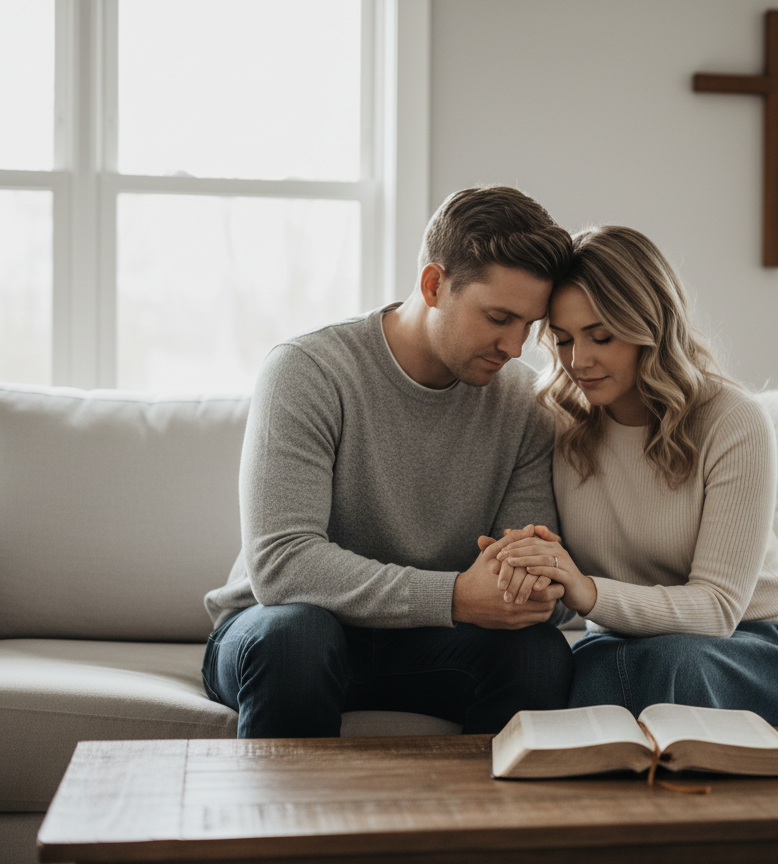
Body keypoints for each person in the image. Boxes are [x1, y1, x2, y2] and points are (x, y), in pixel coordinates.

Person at [202, 186, 577, 738]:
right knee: (297, 637)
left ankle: (487, 826)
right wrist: (453, 595)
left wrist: (531, 587)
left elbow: (519, 564)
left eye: (528, 325)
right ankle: (288, 825)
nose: (514, 346)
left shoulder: (524, 402)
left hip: (428, 641)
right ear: (433, 284)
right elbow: (283, 565)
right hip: (285, 629)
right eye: (498, 317)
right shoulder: (308, 371)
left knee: (538, 653)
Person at [495, 225, 778, 727]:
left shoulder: (731, 419)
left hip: (754, 638)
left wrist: (587, 591)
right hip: (624, 640)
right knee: (579, 674)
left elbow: (717, 608)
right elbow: (563, 599)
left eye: (601, 336)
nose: (578, 361)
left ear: (650, 324)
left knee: (675, 670)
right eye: (563, 340)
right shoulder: (558, 423)